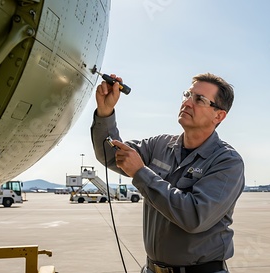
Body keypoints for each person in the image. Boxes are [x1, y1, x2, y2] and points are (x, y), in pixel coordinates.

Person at [91, 72, 245, 273]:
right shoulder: (160, 145)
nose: (187, 103)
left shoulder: (227, 161)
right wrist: (105, 112)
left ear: (219, 115)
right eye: (187, 95)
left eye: (199, 99)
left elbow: (194, 217)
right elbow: (111, 156)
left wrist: (141, 172)